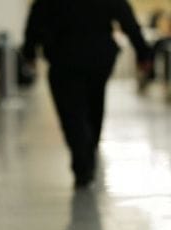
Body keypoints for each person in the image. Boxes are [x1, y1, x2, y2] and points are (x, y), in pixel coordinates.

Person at [21, 0, 153, 188]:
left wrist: (29, 52)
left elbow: (35, 20)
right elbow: (127, 18)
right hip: (99, 57)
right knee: (95, 104)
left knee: (71, 114)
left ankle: (83, 164)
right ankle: (90, 149)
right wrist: (143, 52)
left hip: (63, 58)